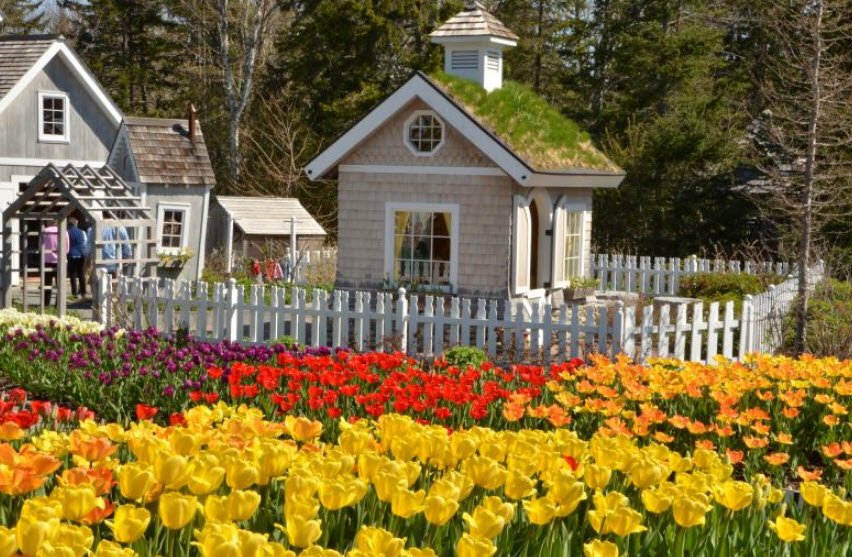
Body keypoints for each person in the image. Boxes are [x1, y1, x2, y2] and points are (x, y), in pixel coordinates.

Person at [40, 220, 69, 306]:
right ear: (57, 222)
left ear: (49, 222)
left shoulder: (44, 231)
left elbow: (40, 246)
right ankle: (58, 304)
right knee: (60, 285)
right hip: (61, 261)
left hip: (47, 260)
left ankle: (46, 304)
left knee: (47, 284)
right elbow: (67, 248)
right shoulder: (64, 231)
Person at [67, 217, 87, 298]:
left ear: (69, 224)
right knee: (81, 274)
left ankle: (74, 292)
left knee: (72, 275)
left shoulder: (67, 232)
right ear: (76, 224)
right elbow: (85, 243)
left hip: (71, 254)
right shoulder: (82, 232)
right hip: (81, 255)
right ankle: (83, 292)